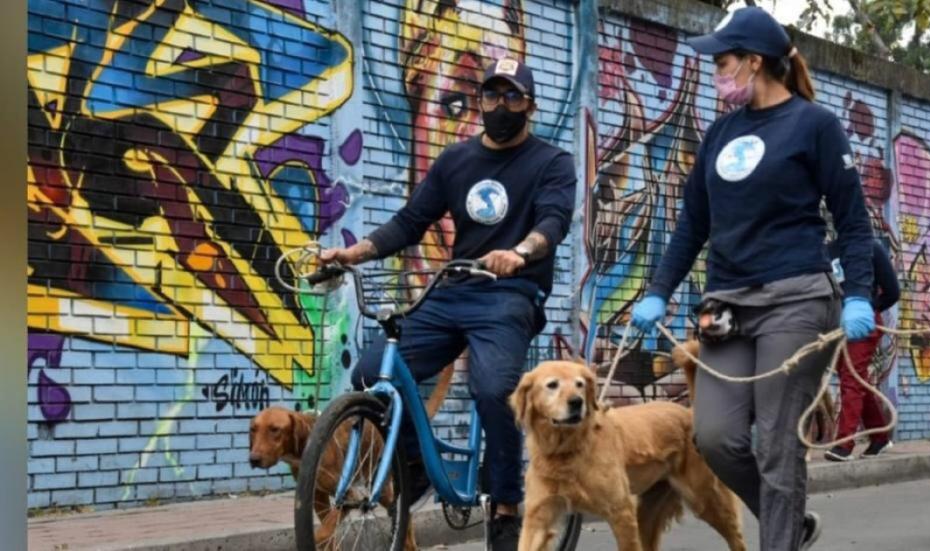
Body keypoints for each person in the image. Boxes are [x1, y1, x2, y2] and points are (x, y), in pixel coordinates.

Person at [629, 7, 876, 551]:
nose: (716, 72)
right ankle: (788, 520)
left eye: (723, 61)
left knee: (778, 446)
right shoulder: (720, 133)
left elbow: (854, 222)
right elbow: (692, 222)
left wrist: (859, 294)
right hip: (727, 306)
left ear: (754, 62)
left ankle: (779, 539)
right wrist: (657, 292)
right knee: (714, 436)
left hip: (797, 299)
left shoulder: (815, 125)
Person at [318, 58, 576, 550]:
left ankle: (504, 503)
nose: (500, 107)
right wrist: (353, 252)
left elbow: (553, 222)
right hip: (453, 289)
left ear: (531, 106)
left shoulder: (551, 162)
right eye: (492, 96)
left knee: (492, 386)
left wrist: (518, 254)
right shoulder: (455, 160)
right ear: (480, 101)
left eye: (513, 97)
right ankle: (413, 464)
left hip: (510, 294)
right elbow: (411, 221)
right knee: (372, 373)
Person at [823, 237, 900, 462]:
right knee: (857, 379)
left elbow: (892, 292)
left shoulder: (871, 247)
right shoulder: (826, 251)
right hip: (837, 325)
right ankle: (879, 437)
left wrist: (868, 309)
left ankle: (844, 444)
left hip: (862, 322)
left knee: (851, 378)